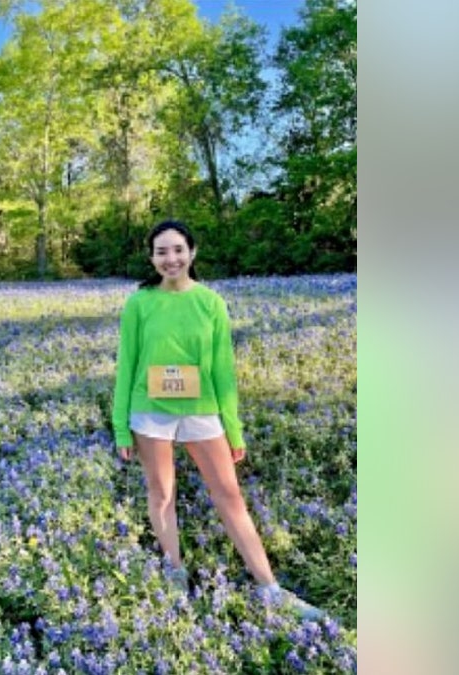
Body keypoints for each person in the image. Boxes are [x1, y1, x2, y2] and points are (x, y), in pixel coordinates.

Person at [112, 220, 321, 620]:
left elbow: (223, 371)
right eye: (161, 251)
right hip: (150, 412)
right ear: (151, 258)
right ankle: (174, 572)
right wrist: (121, 425)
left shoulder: (211, 303)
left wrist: (233, 427)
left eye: (177, 250)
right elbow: (126, 366)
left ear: (191, 252)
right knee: (161, 495)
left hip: (202, 409)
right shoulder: (139, 303)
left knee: (230, 495)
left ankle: (271, 588)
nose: (170, 258)